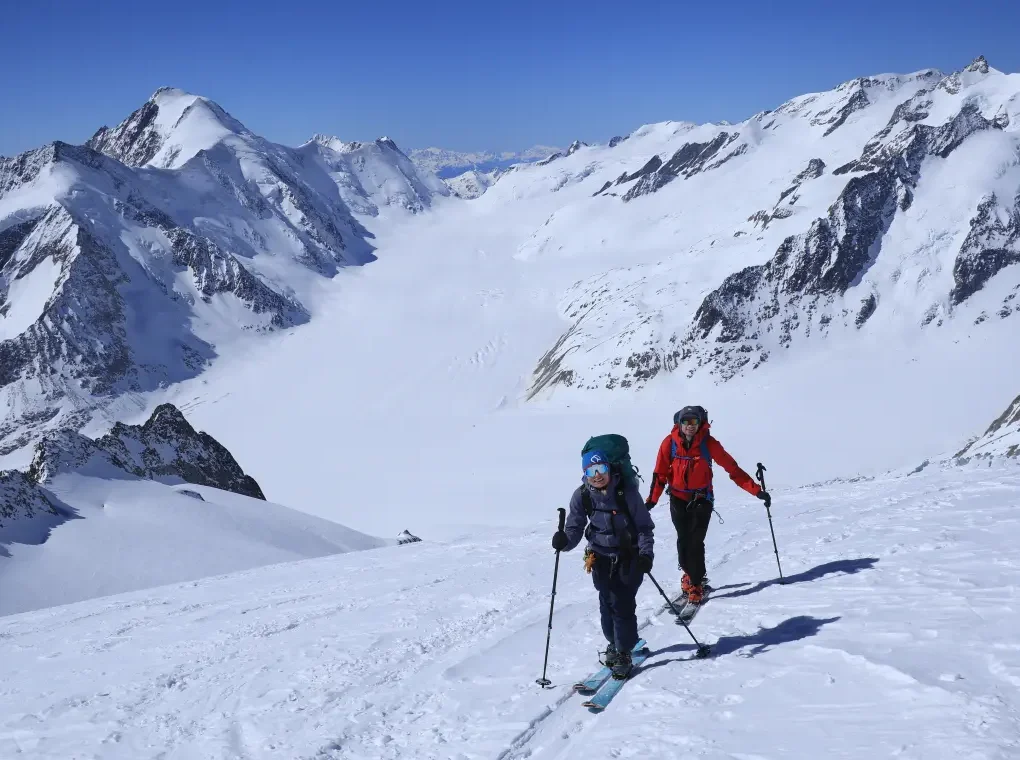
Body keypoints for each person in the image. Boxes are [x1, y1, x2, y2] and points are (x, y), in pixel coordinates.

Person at [644, 406, 770, 605]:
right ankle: (690, 574)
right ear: (679, 423)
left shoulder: (708, 444)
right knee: (683, 540)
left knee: (695, 541)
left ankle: (695, 582)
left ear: (701, 422)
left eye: (694, 422)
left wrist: (757, 491)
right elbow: (659, 475)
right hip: (677, 498)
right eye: (686, 422)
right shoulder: (669, 444)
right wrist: (651, 501)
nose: (690, 426)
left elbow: (733, 469)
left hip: (702, 499)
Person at [552, 448, 654, 679]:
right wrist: (564, 542)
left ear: (609, 469)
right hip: (599, 558)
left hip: (629, 556)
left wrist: (646, 555)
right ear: (585, 473)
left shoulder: (626, 493)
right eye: (591, 470)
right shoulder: (582, 496)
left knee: (622, 604)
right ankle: (614, 643)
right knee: (606, 603)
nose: (597, 475)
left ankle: (624, 651)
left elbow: (644, 528)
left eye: (602, 469)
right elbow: (574, 527)